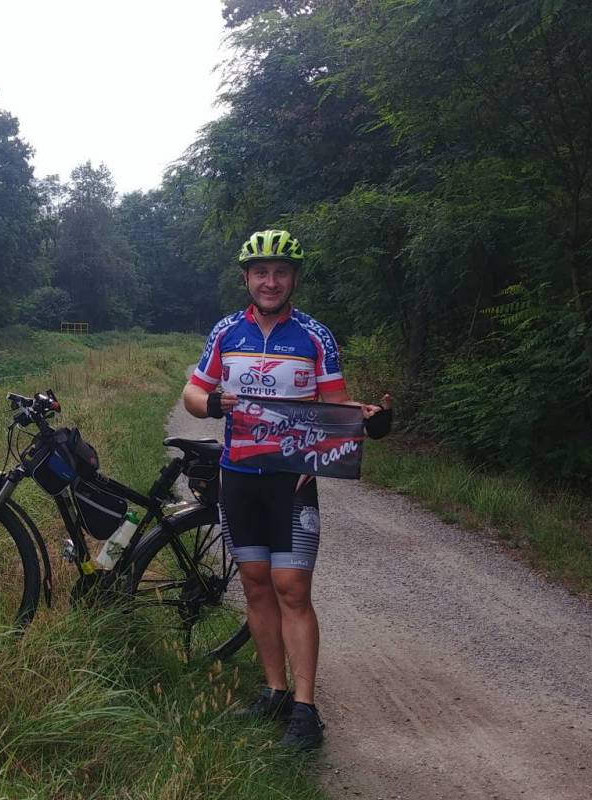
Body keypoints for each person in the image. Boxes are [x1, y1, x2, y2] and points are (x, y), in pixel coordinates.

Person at [181, 229, 386, 750]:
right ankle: (274, 690)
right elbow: (193, 391)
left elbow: (336, 405)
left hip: (290, 481)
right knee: (255, 585)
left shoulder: (315, 336)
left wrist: (367, 419)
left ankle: (305, 707)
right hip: (239, 475)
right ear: (246, 279)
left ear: (293, 278)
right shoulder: (226, 332)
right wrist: (213, 404)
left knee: (292, 588)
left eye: (280, 272)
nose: (270, 282)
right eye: (261, 272)